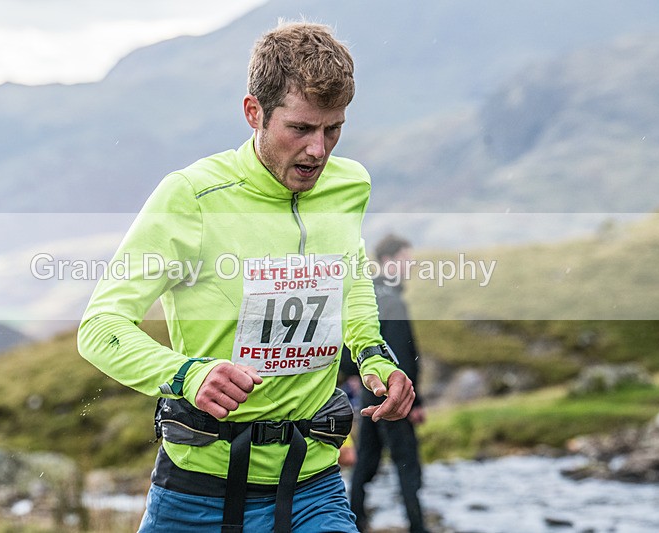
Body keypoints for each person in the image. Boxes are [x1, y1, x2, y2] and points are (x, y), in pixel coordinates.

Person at [78, 22, 414, 533]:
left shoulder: (350, 186)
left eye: (333, 129)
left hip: (312, 485)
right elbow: (100, 327)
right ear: (253, 112)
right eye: (300, 129)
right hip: (197, 493)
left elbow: (350, 277)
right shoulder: (190, 196)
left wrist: (372, 354)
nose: (318, 151)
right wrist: (189, 375)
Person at [346, 234, 427, 533]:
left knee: (366, 460)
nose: (410, 267)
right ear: (388, 261)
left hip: (370, 393)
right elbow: (402, 355)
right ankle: (418, 526)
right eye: (406, 261)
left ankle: (354, 520)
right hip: (393, 395)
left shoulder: (369, 294)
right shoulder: (391, 301)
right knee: (407, 463)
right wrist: (414, 401)